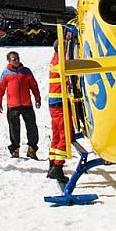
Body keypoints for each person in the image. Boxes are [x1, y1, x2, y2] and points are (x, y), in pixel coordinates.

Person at [0, 51, 41, 159]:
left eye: (18, 58)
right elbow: (0, 89)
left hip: (27, 105)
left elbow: (34, 86)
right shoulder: (6, 73)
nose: (17, 61)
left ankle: (32, 150)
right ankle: (15, 150)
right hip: (13, 106)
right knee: (14, 129)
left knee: (32, 128)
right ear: (9, 61)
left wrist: (37, 98)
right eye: (14, 59)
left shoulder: (26, 71)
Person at [47, 38, 71, 183]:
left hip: (54, 103)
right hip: (60, 103)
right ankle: (57, 168)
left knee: (56, 135)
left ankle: (51, 165)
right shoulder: (61, 61)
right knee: (64, 136)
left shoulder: (55, 58)